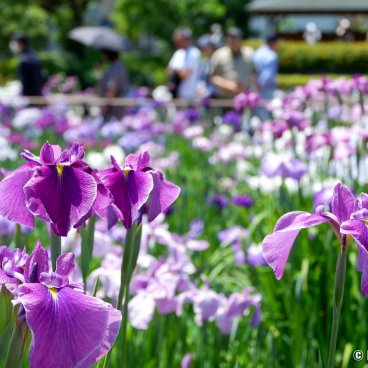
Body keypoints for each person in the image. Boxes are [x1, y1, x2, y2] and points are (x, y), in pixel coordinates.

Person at [209, 27, 255, 98]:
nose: (233, 42)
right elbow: (212, 77)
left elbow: (255, 73)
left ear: (241, 40)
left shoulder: (249, 54)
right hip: (223, 97)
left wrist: (246, 83)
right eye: (231, 39)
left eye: (236, 39)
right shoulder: (219, 54)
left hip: (243, 96)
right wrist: (227, 84)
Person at [167, 28, 201, 99]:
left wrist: (175, 71)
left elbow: (185, 75)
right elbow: (168, 71)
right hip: (175, 94)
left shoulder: (194, 52)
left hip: (188, 95)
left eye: (179, 40)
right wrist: (178, 71)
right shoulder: (178, 53)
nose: (176, 42)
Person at [96, 48, 129, 120]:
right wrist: (101, 71)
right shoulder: (117, 65)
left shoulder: (115, 67)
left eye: (103, 53)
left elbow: (112, 89)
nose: (102, 56)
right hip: (114, 108)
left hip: (114, 110)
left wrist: (104, 107)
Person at [9, 32, 44, 96]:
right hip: (37, 96)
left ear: (21, 44)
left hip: (31, 99)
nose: (12, 46)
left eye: (14, 43)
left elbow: (27, 84)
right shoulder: (32, 55)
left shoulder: (25, 60)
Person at [253, 34, 279, 100]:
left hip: (254, 87)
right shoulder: (272, 55)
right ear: (273, 42)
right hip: (265, 89)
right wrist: (259, 86)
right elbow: (267, 75)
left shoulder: (257, 52)